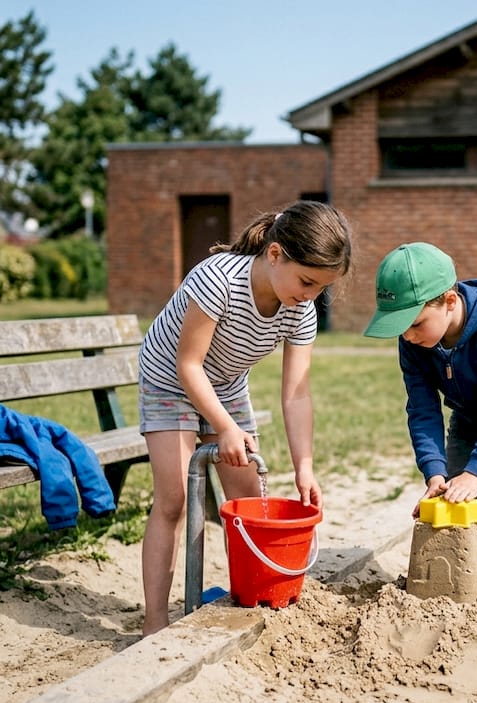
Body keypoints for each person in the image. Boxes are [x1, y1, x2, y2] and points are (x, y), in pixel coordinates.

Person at [137, 200, 352, 636]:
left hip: (227, 385)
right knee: (175, 499)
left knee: (249, 504)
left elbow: (296, 394)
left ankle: (248, 598)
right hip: (170, 381)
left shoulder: (300, 309)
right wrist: (226, 428)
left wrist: (305, 468)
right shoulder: (218, 280)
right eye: (306, 281)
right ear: (275, 254)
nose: (310, 295)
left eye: (320, 288)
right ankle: (155, 621)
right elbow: (188, 366)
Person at [363, 242, 477, 556]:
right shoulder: (412, 343)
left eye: (415, 324)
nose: (407, 336)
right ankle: (459, 578)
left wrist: (476, 472)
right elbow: (422, 409)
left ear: (449, 301)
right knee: (451, 497)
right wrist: (434, 472)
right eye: (401, 328)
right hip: (466, 412)